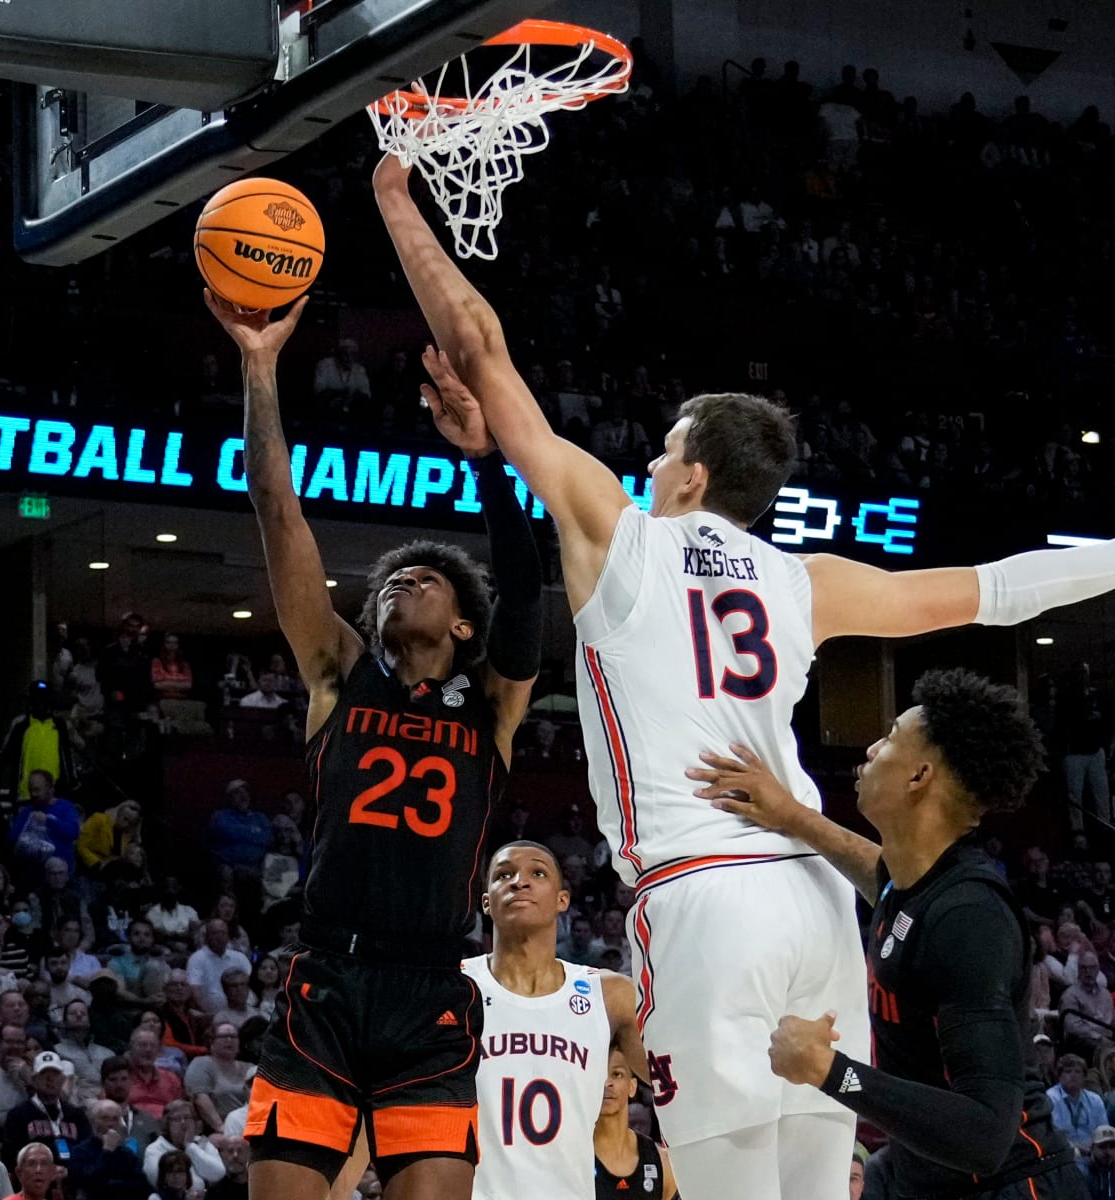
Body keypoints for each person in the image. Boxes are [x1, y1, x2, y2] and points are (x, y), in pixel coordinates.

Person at [373, 150, 1115, 1199]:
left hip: (704, 898)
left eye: (664, 450)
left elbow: (478, 346)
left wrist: (395, 206)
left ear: (695, 473)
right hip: (815, 899)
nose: (649, 466)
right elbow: (994, 588)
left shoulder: (621, 539)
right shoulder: (809, 582)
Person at [204, 281, 541, 1200]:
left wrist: (486, 463)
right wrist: (261, 368)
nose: (403, 586)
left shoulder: (491, 709)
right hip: (326, 977)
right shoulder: (335, 677)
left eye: (426, 580)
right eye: (393, 581)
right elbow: (279, 511)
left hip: (431, 989)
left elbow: (527, 588)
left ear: (464, 627)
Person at [688, 668, 1087, 1198]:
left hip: (1010, 1183)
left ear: (919, 777)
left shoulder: (968, 918)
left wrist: (831, 1071)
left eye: (891, 738)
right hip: (929, 1177)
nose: (872, 748)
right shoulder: (918, 886)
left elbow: (986, 1135)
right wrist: (793, 815)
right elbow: (879, 876)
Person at [463, 842, 647, 1200]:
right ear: (486, 902)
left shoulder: (610, 994)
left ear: (563, 900)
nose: (520, 882)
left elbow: (671, 1082)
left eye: (538, 873)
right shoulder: (455, 987)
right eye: (504, 875)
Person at [593, 1046, 678, 1200]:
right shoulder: (575, 1157)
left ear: (632, 1087)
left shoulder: (661, 1161)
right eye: (599, 1075)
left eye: (617, 1074)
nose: (607, 1083)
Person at [2, 1050, 93, 1171]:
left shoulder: (77, 1115)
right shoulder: (18, 1115)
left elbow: (87, 1152)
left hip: (72, 1178)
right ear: (34, 1080)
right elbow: (12, 1156)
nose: (50, 1079)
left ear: (63, 1080)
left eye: (55, 1074)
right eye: (44, 1074)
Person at [68, 1098, 153, 1200]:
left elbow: (143, 1187)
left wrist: (109, 1185)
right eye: (104, 1118)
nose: (110, 1124)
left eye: (115, 1119)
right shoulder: (80, 1151)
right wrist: (107, 1150)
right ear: (93, 1121)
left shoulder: (126, 1153)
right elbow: (91, 1184)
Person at [1088, 1125, 1115, 1198]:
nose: (1107, 1151)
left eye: (1112, 1147)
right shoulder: (1083, 1173)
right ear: (1092, 1148)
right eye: (1102, 1146)